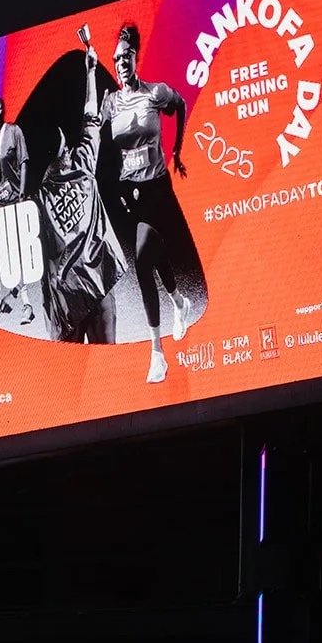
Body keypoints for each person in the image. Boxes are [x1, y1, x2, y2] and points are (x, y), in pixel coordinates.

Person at [100, 23, 192, 382]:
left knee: (142, 259)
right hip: (129, 193)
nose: (122, 62)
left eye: (127, 56)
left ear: (136, 58)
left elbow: (181, 104)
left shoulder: (155, 94)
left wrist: (177, 151)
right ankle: (179, 302)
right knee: (151, 256)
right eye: (117, 59)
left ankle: (157, 353)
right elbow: (93, 128)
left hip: (156, 187)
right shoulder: (110, 103)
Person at [37, 43, 126, 342]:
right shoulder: (83, 163)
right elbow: (91, 118)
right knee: (109, 371)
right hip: (97, 285)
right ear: (63, 142)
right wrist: (90, 69)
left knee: (73, 385)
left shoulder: (39, 198)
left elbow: (42, 260)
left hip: (67, 301)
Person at [0, 96, 33, 323]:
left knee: (22, 252)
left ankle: (26, 304)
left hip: (16, 200)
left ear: (3, 111)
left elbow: (24, 161)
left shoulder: (14, 131)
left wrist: (23, 193)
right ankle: (20, 297)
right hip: (2, 205)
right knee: (10, 256)